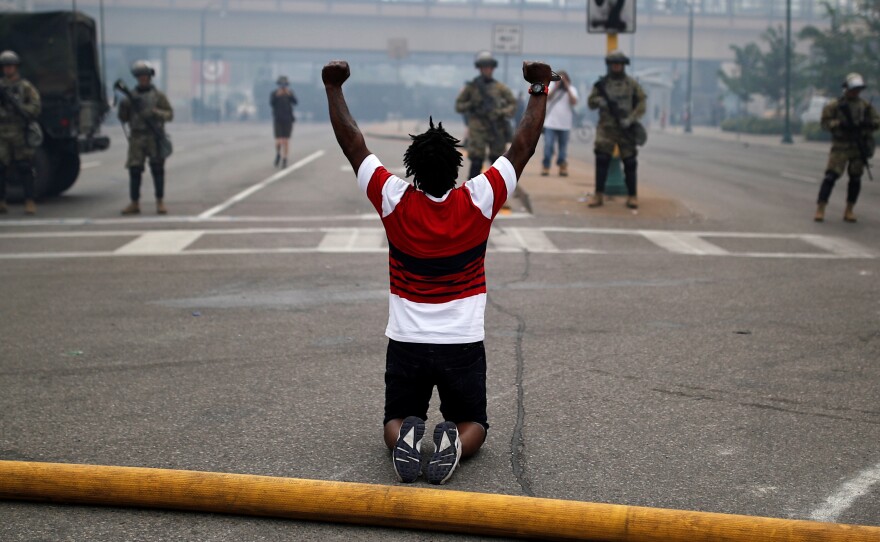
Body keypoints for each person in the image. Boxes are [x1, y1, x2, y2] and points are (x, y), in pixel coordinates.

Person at [323, 58, 552, 484]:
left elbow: (353, 144)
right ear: (456, 168)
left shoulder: (393, 199)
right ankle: (455, 445)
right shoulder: (479, 198)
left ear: (411, 169)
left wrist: (333, 87)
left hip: (407, 340)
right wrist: (539, 86)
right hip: (462, 342)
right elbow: (522, 146)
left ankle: (405, 440)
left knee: (395, 418)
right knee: (474, 425)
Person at [814, 72, 880, 223]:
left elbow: (877, 121)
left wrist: (868, 124)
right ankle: (821, 208)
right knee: (831, 177)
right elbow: (825, 123)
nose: (855, 92)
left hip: (858, 145)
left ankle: (849, 209)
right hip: (841, 146)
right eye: (853, 89)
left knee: (855, 178)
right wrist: (839, 124)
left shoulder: (865, 106)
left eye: (858, 89)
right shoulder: (835, 106)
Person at [586, 50, 646, 209]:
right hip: (606, 129)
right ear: (610, 65)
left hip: (626, 128)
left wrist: (631, 119)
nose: (617, 67)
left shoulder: (631, 84)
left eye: (619, 64)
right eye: (614, 64)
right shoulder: (602, 85)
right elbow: (590, 102)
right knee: (602, 160)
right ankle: (598, 195)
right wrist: (600, 101)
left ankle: (632, 196)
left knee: (630, 162)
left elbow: (641, 103)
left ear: (623, 66)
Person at [119, 60, 173, 215]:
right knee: (134, 170)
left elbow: (169, 114)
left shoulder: (158, 96)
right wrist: (124, 107)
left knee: (157, 169)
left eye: (145, 76)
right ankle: (134, 202)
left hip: (153, 136)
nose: (143, 79)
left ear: (150, 77)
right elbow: (123, 118)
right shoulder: (131, 97)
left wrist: (156, 113)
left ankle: (160, 202)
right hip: (137, 136)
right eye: (140, 76)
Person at [455, 51, 517, 179]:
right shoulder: (472, 87)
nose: (487, 70)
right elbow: (459, 106)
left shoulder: (500, 88)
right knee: (477, 160)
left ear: (493, 68)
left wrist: (501, 112)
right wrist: (471, 104)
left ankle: (495, 192)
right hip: (478, 127)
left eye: (489, 67)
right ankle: (472, 191)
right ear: (480, 69)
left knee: (496, 161)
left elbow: (513, 104)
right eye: (484, 67)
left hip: (496, 126)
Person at [0, 50, 41, 215]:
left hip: (19, 130)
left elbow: (36, 107)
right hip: (2, 131)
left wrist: (22, 109)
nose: (8, 69)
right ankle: (1, 201)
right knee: (0, 167)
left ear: (16, 67)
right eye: (5, 67)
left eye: (11, 66)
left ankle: (29, 201)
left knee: (25, 167)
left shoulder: (25, 87)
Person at [541, 70, 579, 177]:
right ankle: (546, 166)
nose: (561, 82)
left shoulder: (571, 89)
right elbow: (547, 98)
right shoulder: (552, 86)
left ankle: (562, 166)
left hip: (565, 124)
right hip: (550, 123)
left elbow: (574, 102)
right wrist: (556, 87)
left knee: (563, 148)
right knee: (548, 145)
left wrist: (567, 87)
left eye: (563, 79)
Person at [271, 75, 297, 168]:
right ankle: (278, 153)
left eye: (285, 84)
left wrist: (289, 95)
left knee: (286, 140)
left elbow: (295, 102)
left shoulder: (289, 93)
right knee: (278, 141)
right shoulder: (274, 93)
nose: (283, 86)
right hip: (278, 119)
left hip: (288, 120)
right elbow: (272, 103)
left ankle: (285, 158)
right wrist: (278, 95)